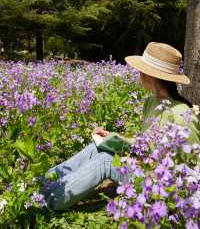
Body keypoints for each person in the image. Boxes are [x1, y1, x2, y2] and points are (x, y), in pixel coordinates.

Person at [41, 42, 200, 211]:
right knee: (98, 147)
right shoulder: (151, 102)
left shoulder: (182, 115)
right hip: (144, 167)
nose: (139, 74)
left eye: (141, 70)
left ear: (152, 75)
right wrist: (114, 139)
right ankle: (43, 182)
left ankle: (46, 203)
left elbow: (192, 164)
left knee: (106, 161)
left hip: (161, 185)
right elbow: (144, 143)